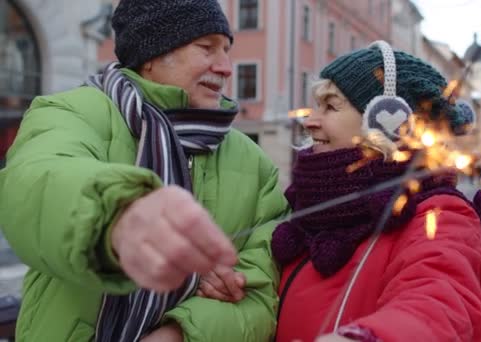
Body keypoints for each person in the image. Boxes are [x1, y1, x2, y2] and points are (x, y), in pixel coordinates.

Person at [0, 1, 289, 341]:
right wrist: (115, 217)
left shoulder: (256, 165)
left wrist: (178, 334)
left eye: (226, 50)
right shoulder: (70, 112)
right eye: (206, 48)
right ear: (151, 54)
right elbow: (35, 183)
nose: (226, 67)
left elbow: (260, 296)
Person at [268, 41, 481, 342]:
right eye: (315, 106)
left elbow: (442, 302)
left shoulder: (439, 215)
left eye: (330, 106)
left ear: (384, 122)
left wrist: (370, 337)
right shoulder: (305, 205)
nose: (310, 121)